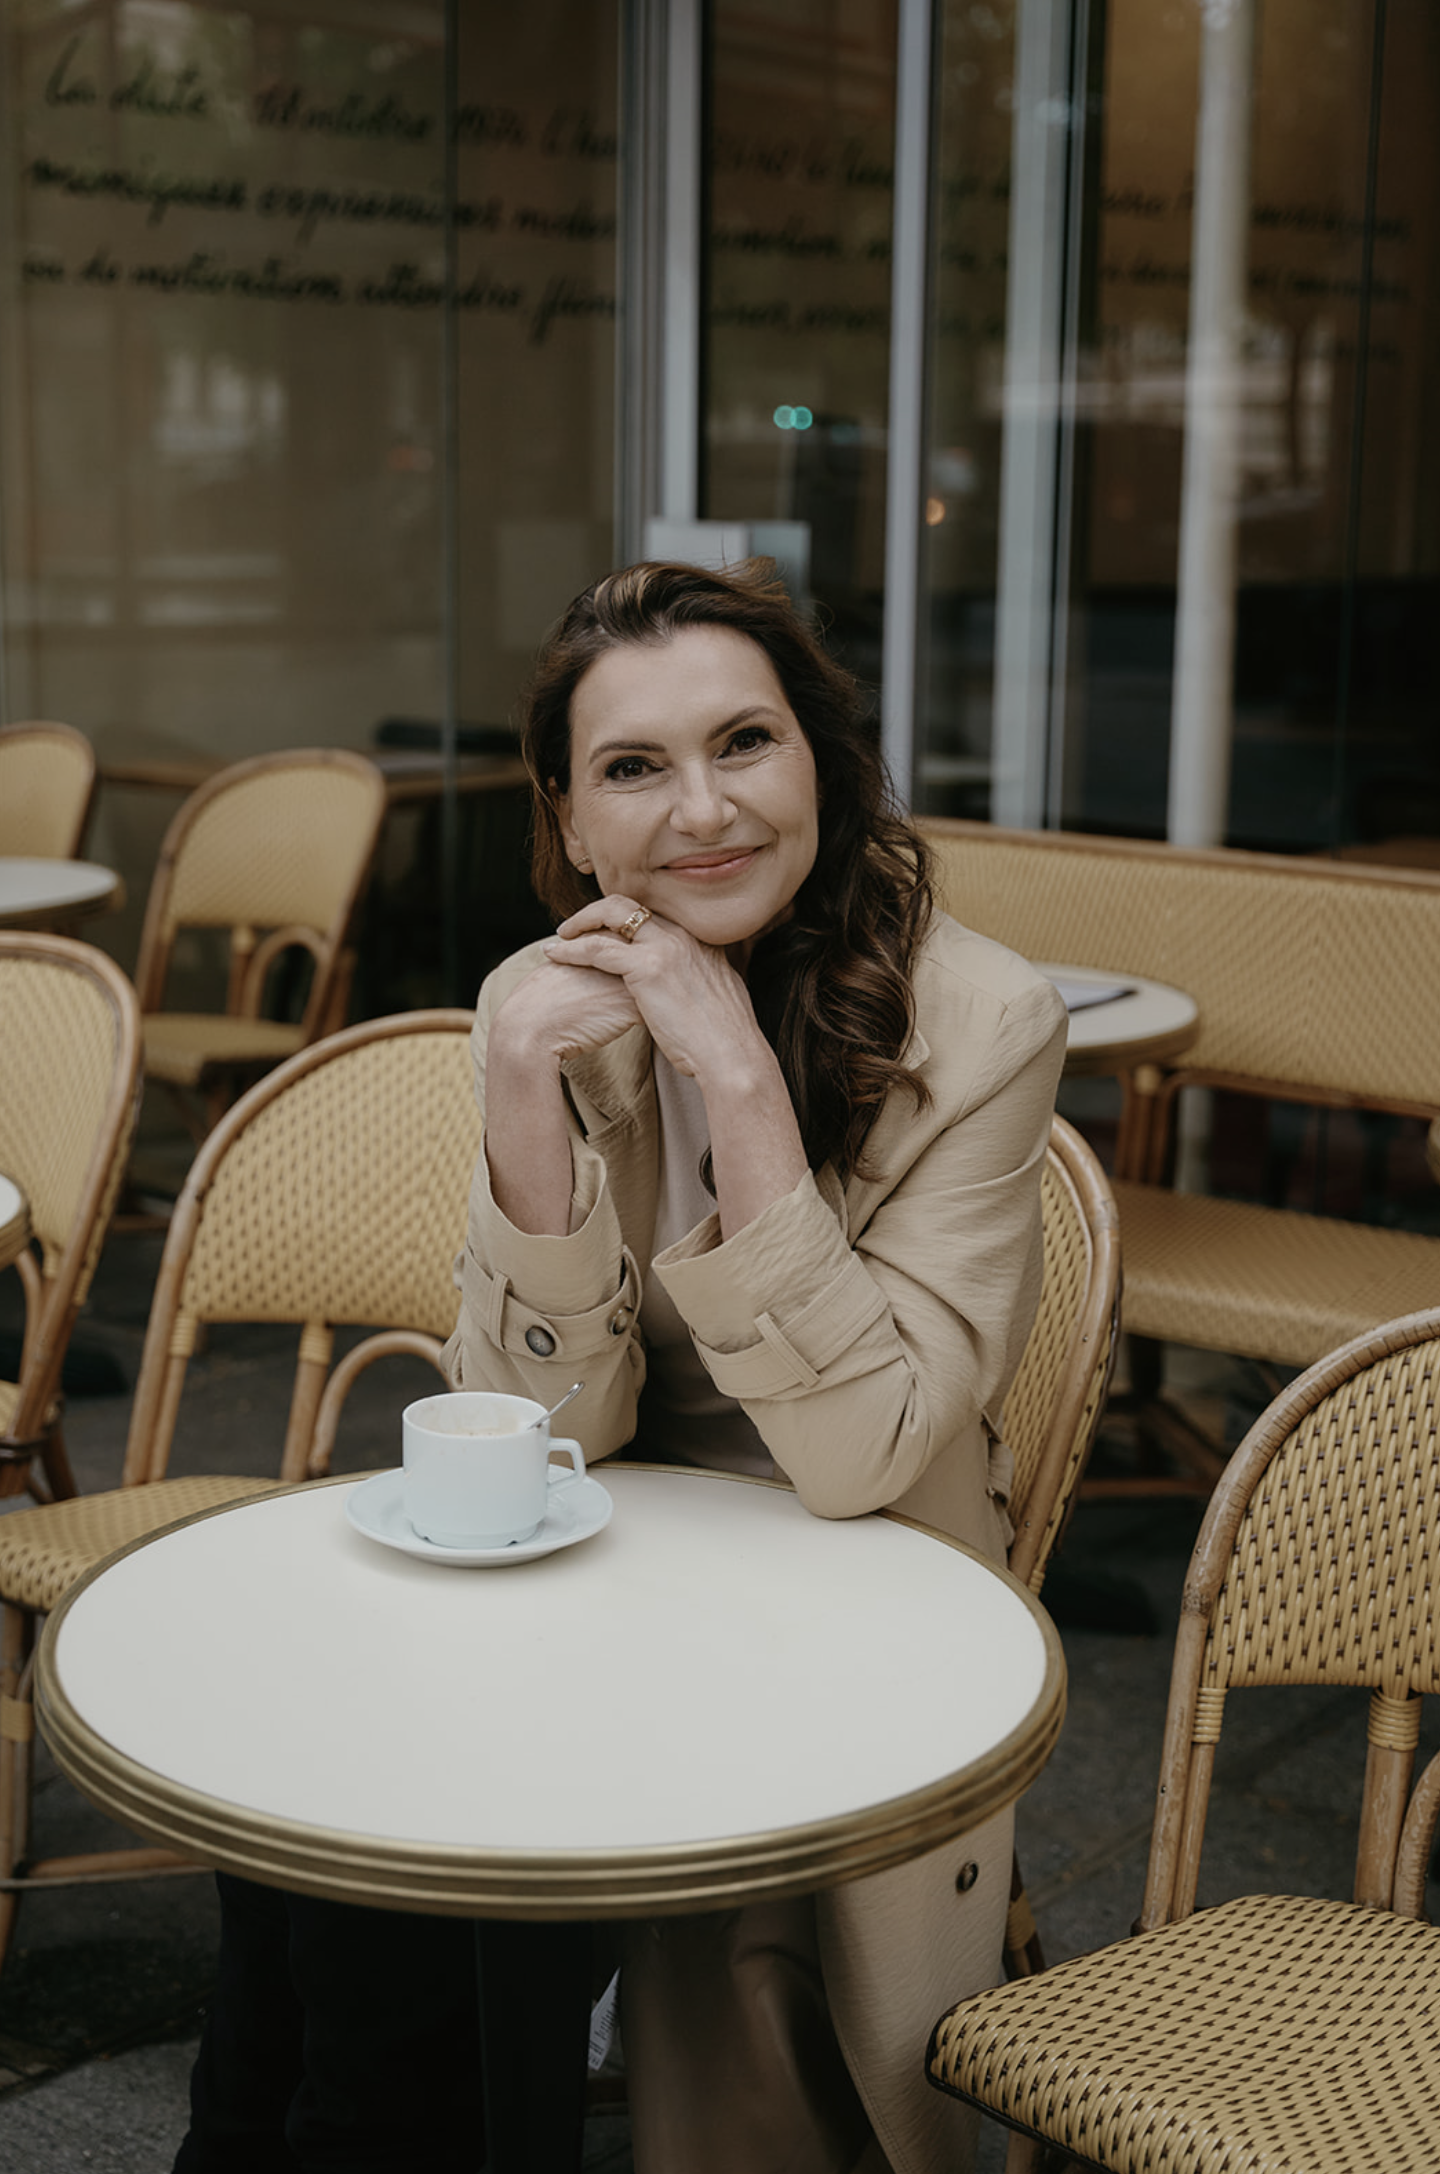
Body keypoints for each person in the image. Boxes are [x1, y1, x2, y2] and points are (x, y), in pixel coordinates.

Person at [444, 557, 1068, 2174]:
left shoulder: (987, 1021)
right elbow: (530, 1430)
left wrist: (733, 1072)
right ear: (571, 818)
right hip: (613, 1547)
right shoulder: (560, 1007)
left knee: (722, 1911)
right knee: (355, 1853)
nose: (704, 809)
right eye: (636, 767)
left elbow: (866, 1450)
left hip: (868, 1561)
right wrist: (521, 1096)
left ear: (825, 767)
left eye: (747, 742)